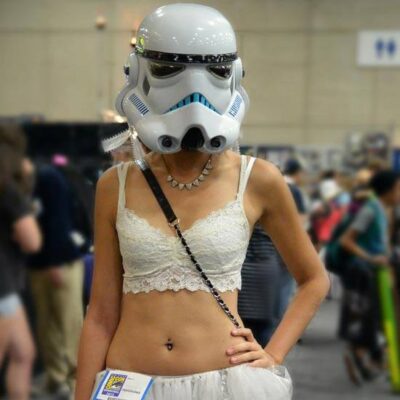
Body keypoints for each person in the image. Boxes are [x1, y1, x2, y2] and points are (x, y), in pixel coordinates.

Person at [75, 5, 329, 399]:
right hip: (130, 383)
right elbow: (100, 314)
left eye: (215, 71)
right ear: (140, 74)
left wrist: (273, 353)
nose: (192, 92)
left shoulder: (257, 179)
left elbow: (314, 279)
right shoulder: (115, 184)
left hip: (222, 382)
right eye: (167, 70)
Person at [29, 162, 85, 397]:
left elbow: (58, 219)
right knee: (47, 324)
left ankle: (77, 381)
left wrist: (55, 261)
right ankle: (56, 377)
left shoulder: (47, 177)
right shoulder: (22, 184)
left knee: (69, 323)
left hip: (61, 262)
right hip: (38, 264)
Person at [339, 170, 400, 384]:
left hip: (379, 273)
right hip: (365, 274)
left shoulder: (384, 210)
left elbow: (383, 244)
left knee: (378, 318)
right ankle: (359, 353)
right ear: (388, 190)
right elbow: (346, 240)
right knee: (370, 317)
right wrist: (371, 258)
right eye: (398, 188)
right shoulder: (370, 210)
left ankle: (371, 359)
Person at [0, 125, 41, 400]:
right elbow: (32, 241)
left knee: (23, 352)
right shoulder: (8, 190)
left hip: (6, 287)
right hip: (3, 287)